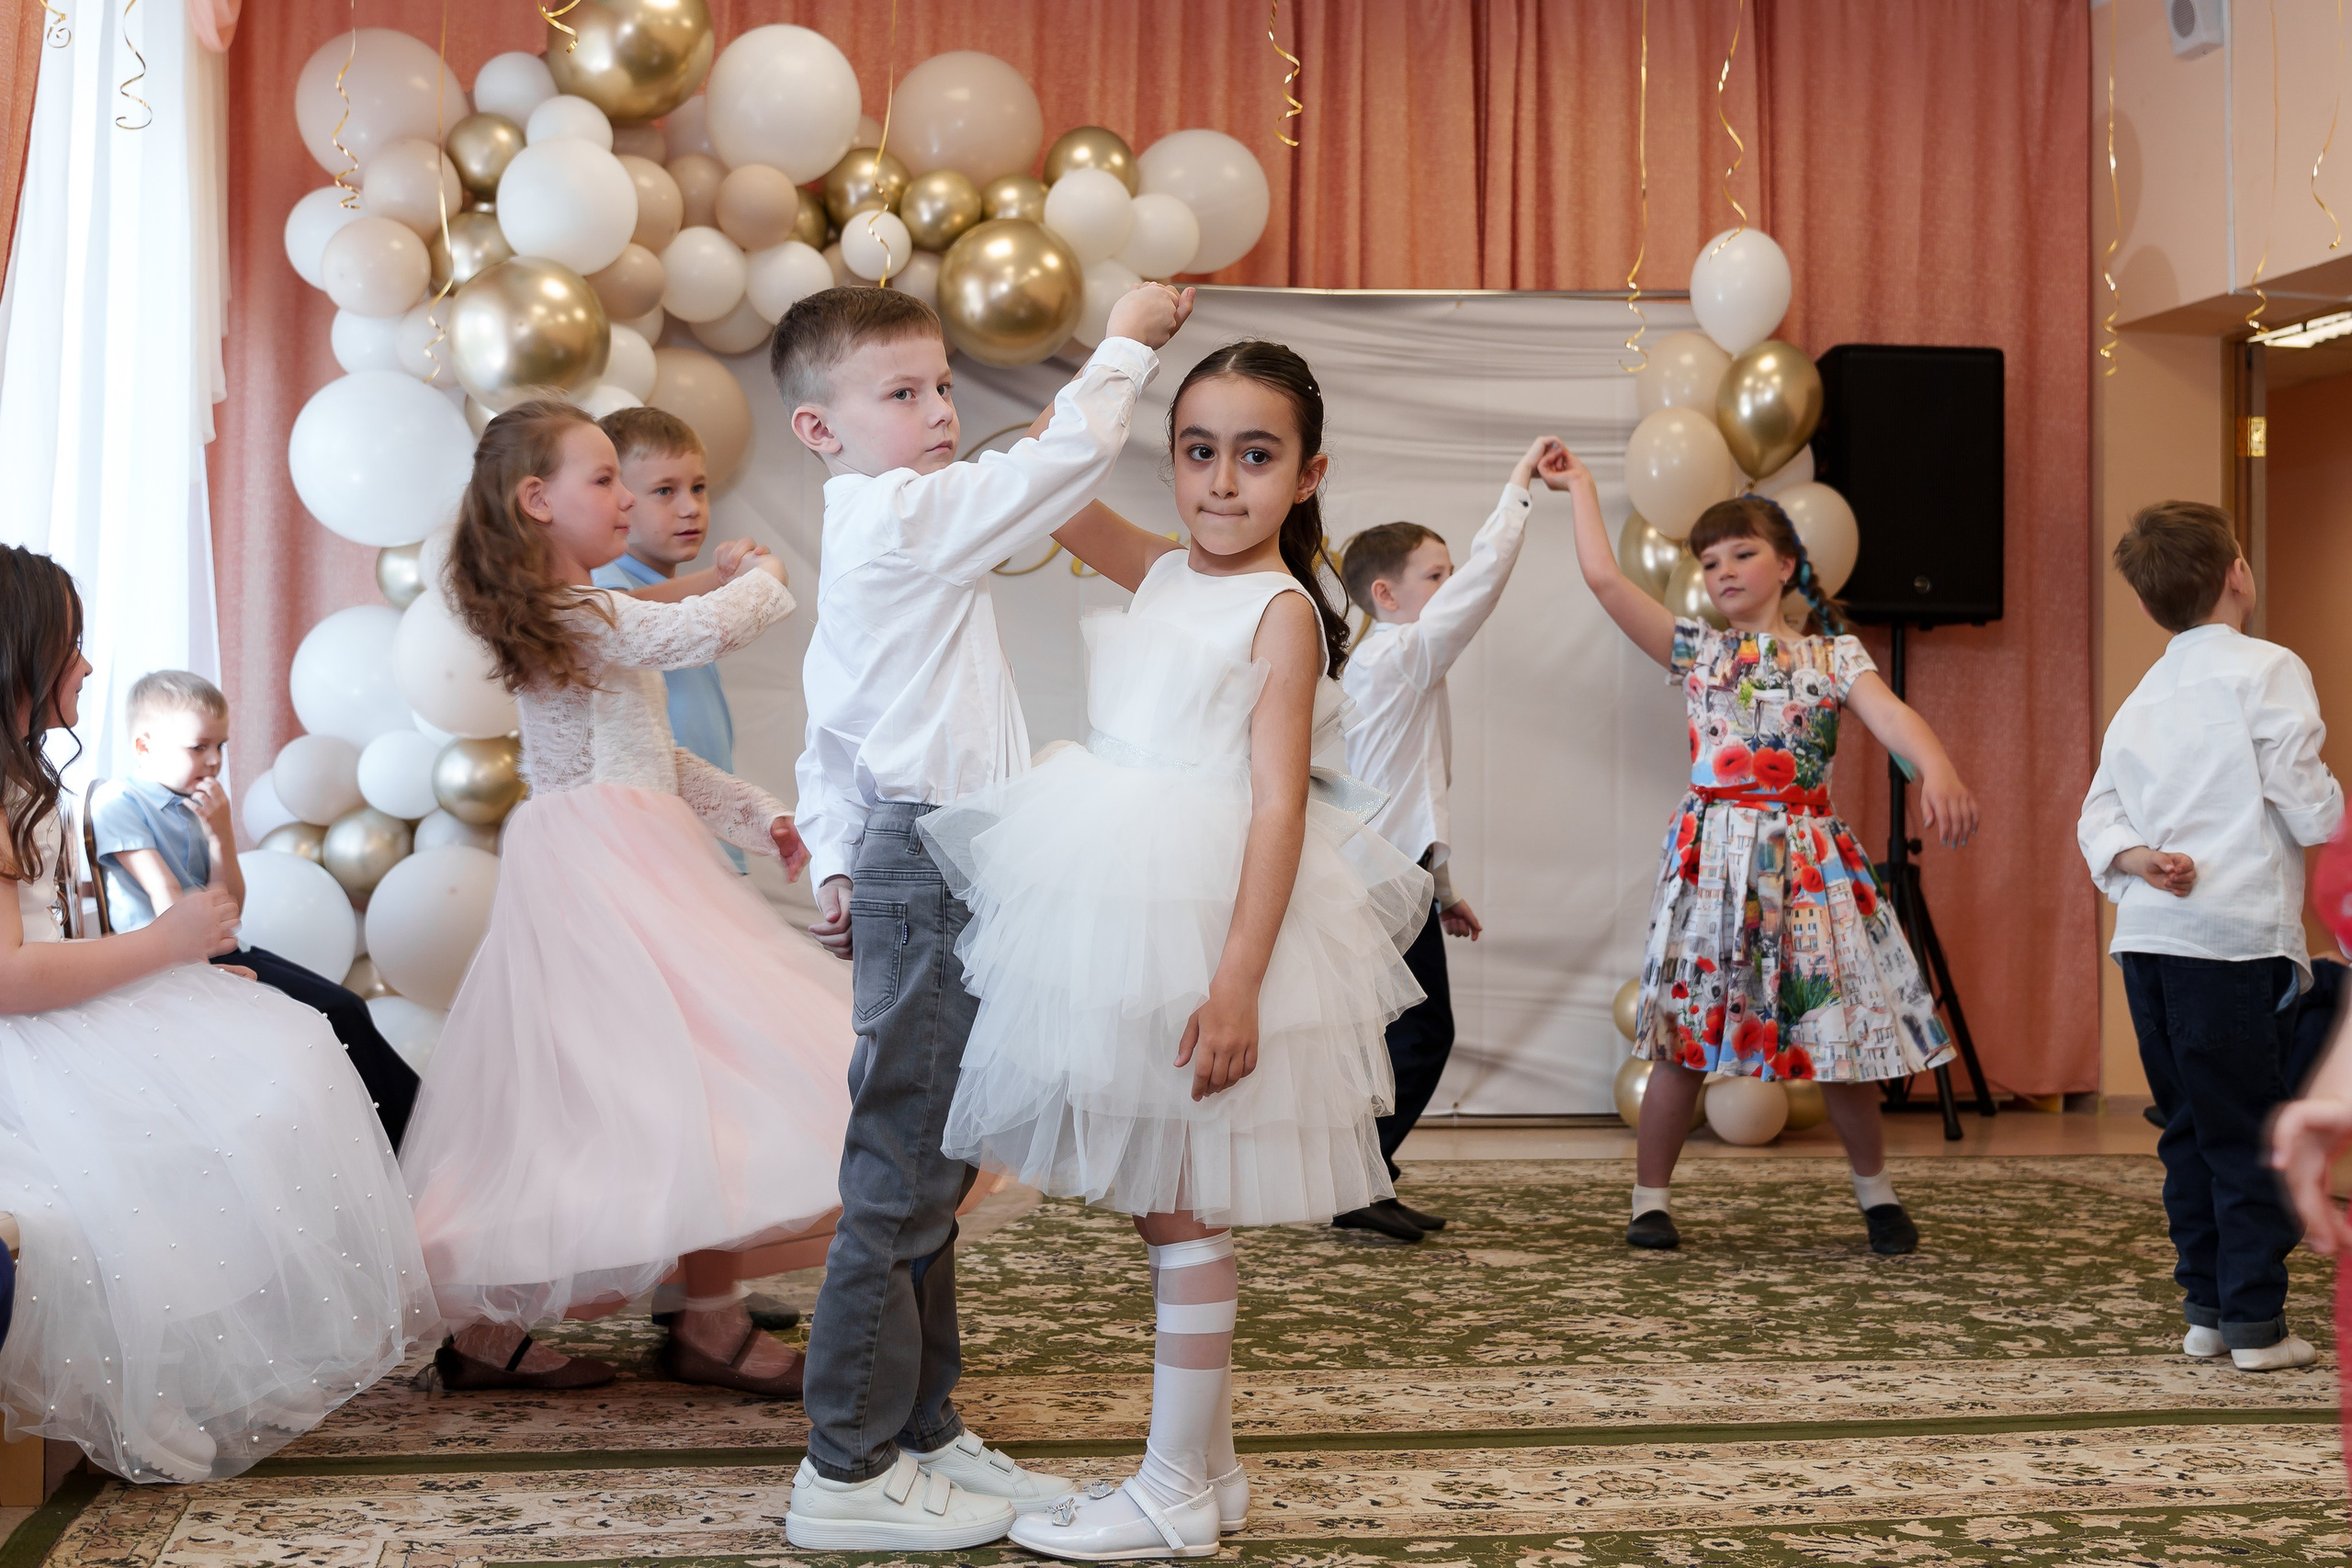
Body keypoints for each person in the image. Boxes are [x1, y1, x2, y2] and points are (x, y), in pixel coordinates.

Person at [921, 340, 1430, 1559]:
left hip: (1195, 909)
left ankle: (1170, 1492)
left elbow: (1277, 803)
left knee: (1177, 1199)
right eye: (1197, 451)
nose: (1220, 482)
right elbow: (1054, 479)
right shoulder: (1163, 572)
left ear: (1309, 474)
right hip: (1113, 881)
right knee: (1168, 1192)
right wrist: (1104, 367)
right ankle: (1210, 1467)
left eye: (1255, 457)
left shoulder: (1283, 611)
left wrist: (1238, 980)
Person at [779, 281, 1192, 1551]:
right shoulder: (900, 516)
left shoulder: (892, 530)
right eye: (900, 393)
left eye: (943, 384)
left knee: (936, 1164)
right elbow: (1061, 459)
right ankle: (842, 1469)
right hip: (933, 855)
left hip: (936, 850)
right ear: (820, 430)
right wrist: (1124, 337)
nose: (939, 410)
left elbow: (834, 721)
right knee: (901, 1166)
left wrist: (835, 862)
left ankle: (919, 1427)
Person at [397, 400, 853, 1399]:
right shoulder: (577, 615)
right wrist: (766, 578)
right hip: (604, 876)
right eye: (601, 478)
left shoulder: (584, 616)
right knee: (661, 1087)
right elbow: (692, 631)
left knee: (689, 1086)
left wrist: (759, 815)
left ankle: (695, 1319)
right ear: (536, 500)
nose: (622, 497)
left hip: (626, 848)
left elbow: (656, 760)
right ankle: (658, 1324)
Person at [0, 544, 432, 1483]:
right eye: (72, 647)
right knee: (180, 1133)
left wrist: (170, 975)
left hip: (51, 1015)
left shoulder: (29, 782)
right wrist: (166, 951)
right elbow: (5, 976)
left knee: (291, 1056)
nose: (85, 668)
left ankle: (209, 1366)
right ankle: (145, 1381)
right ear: (22, 654)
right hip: (16, 1050)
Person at [1567, 479, 1977, 1257]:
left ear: (1786, 564)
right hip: (1714, 864)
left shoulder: (1832, 654)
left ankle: (1876, 1193)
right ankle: (1649, 1200)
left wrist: (1938, 770)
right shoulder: (1699, 648)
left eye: (1743, 553)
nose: (1723, 570)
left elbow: (1892, 715)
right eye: (1710, 559)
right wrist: (1582, 488)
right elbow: (1605, 580)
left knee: (1839, 1036)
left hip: (1808, 861)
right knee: (1683, 1038)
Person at [2084, 501, 2341, 1371]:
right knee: (2250, 1128)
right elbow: (2304, 796)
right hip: (2233, 946)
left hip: (2148, 946)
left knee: (2187, 1126)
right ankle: (2257, 1326)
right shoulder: (2268, 669)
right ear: (2238, 572)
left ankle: (2207, 1307)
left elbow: (2099, 815)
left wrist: (2140, 857)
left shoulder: (2142, 696)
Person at [1329, 436, 1572, 1242]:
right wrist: (1517, 490)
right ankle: (1358, 1179)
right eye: (1435, 576)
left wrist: (1444, 888)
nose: (1451, 586)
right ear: (1387, 596)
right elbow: (1486, 581)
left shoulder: (1391, 663)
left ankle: (1365, 1176)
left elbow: (1406, 795)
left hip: (1392, 874)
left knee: (1401, 1031)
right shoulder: (1401, 654)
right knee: (1422, 1031)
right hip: (1381, 878)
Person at [87, 669, 420, 1145]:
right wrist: (209, 962)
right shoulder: (117, 801)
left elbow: (231, 908)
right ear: (144, 747)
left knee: (346, 1006)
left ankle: (416, 1139)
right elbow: (167, 909)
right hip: (169, 961)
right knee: (332, 1016)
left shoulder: (193, 807)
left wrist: (219, 832)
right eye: (198, 747)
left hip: (219, 947)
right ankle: (409, 1146)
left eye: (221, 747)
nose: (214, 762)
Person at [591, 406, 757, 874]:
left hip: (701, 828)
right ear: (619, 499)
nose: (690, 507)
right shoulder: (604, 580)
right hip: (651, 843)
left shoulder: (683, 597)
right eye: (665, 491)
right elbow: (627, 617)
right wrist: (718, 578)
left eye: (698, 488)